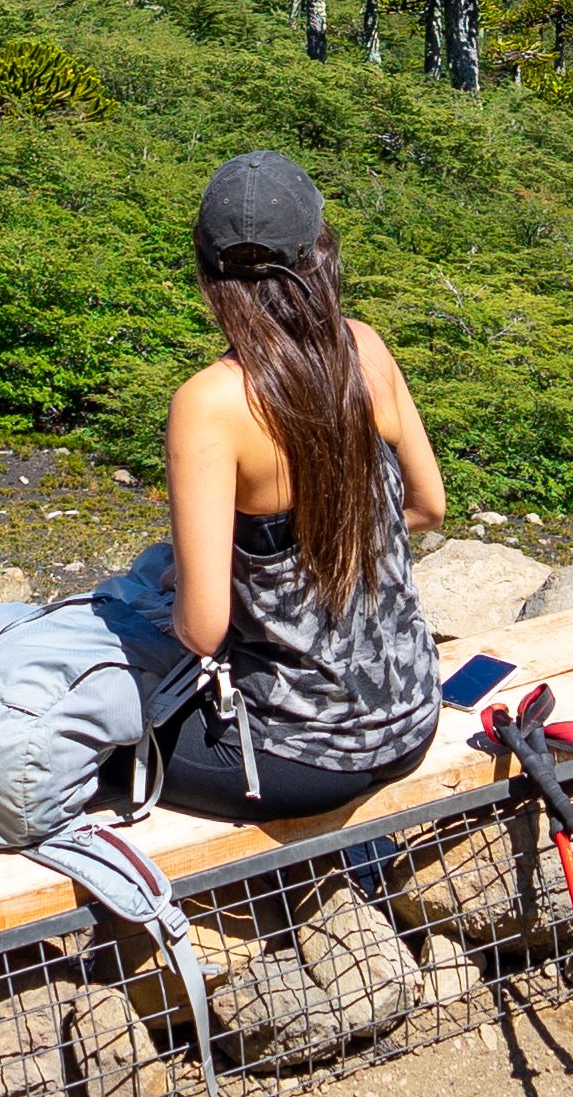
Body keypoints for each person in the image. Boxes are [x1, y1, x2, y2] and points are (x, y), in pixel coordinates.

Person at [152, 152, 455, 817]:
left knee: (75, 740)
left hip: (302, 757)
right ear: (321, 252)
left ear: (206, 272)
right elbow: (427, 508)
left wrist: (195, 586)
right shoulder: (364, 347)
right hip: (413, 715)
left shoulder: (209, 402)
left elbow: (203, 633)